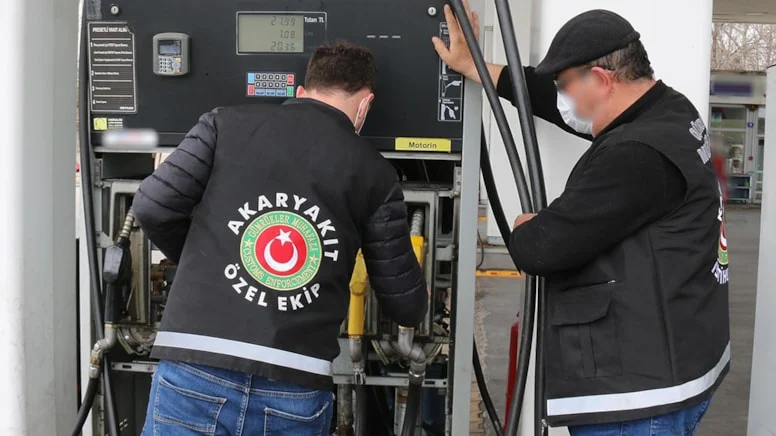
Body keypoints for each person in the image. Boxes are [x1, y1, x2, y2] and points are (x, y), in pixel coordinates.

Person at [435, 6, 729, 436]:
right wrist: (473, 65)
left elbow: (541, 248)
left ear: (602, 79)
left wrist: (526, 225)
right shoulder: (667, 110)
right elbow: (547, 99)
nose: (564, 100)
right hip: (681, 362)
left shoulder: (635, 155)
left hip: (637, 401)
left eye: (566, 86)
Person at [132, 41, 428, 435]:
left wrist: (208, 258)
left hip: (196, 364)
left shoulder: (222, 124)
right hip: (294, 382)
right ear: (365, 106)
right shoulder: (375, 173)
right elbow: (405, 304)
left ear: (302, 92)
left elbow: (151, 206)